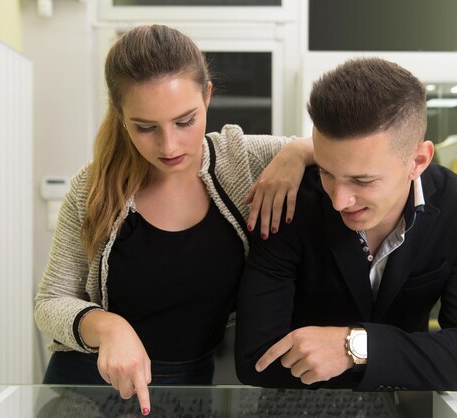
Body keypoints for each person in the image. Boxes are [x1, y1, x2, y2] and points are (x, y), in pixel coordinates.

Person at [34, 24, 313, 416]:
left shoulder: (244, 159)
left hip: (191, 387)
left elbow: (342, 151)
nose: (169, 146)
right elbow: (50, 301)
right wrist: (108, 326)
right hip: (85, 388)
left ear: (208, 95)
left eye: (185, 121)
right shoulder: (92, 186)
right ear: (120, 114)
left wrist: (298, 151)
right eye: (145, 128)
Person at [235, 57, 457, 391]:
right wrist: (412, 360)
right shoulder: (291, 205)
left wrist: (355, 347)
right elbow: (256, 361)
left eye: (363, 180)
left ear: (418, 161)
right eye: (327, 173)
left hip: (404, 409)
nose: (338, 200)